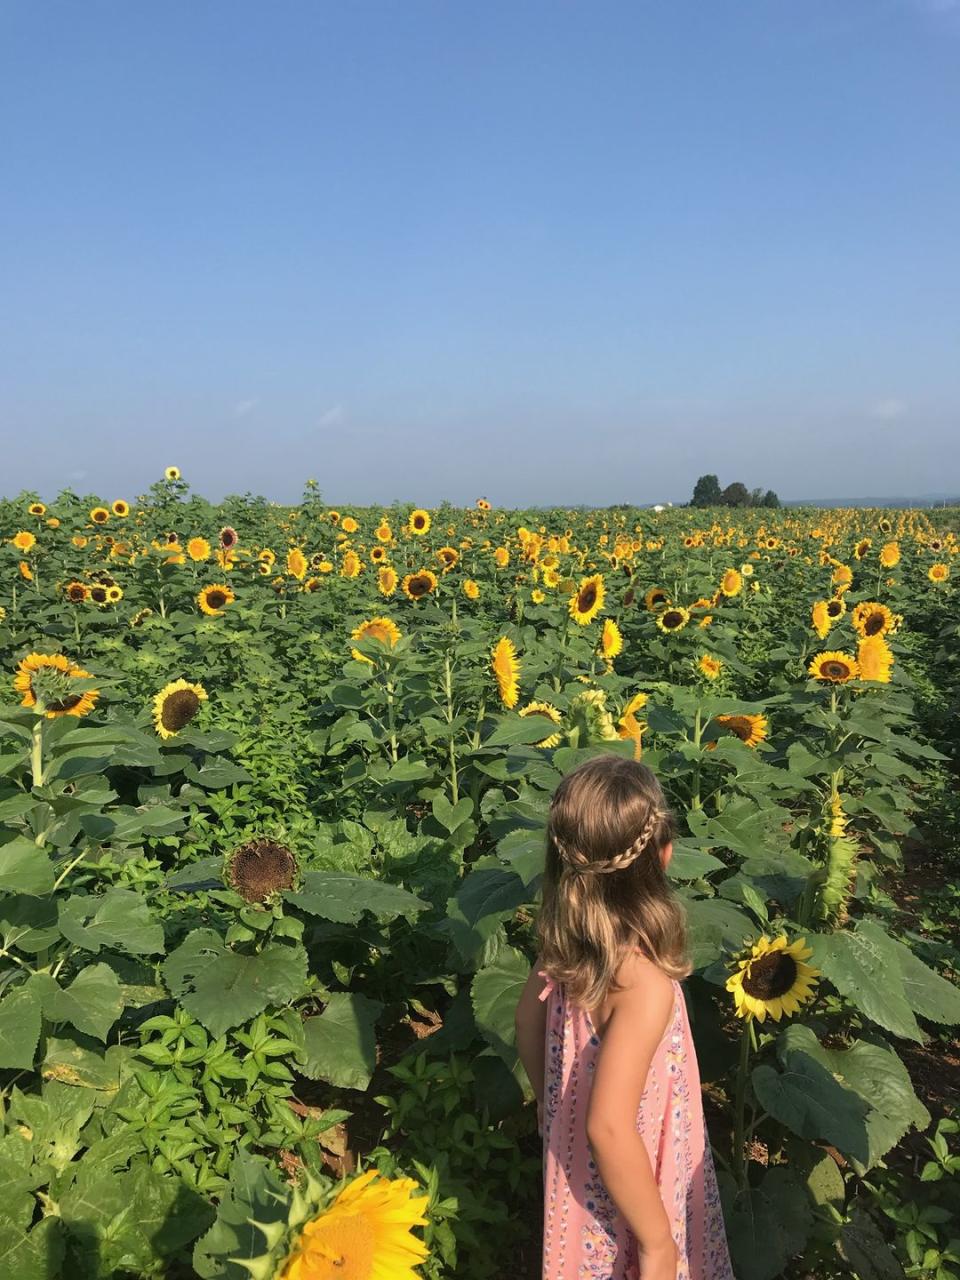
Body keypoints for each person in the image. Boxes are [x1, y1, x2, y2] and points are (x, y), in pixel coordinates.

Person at [515, 755, 734, 1280]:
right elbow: (610, 1126)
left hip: (578, 1175)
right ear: (664, 856)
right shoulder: (644, 986)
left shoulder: (564, 951)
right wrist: (658, 1242)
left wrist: (551, 1109)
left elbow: (527, 1022)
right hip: (633, 1190)